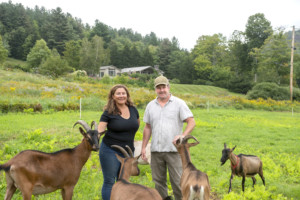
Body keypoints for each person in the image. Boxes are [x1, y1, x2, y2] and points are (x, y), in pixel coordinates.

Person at [141, 75, 196, 200]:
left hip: (174, 151)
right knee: (158, 183)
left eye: (163, 87)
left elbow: (191, 122)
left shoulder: (179, 103)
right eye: (158, 88)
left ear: (168, 87)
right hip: (156, 151)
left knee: (178, 182)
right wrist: (144, 147)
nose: (161, 90)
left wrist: (182, 135)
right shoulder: (150, 105)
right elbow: (147, 127)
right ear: (155, 89)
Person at [98, 84, 140, 200]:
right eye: (118, 93)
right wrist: (94, 136)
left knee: (124, 182)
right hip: (110, 151)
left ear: (127, 95)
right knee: (110, 181)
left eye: (123, 93)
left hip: (128, 152)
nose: (121, 96)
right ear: (113, 96)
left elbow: (136, 124)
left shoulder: (133, 109)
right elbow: (100, 129)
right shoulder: (109, 112)